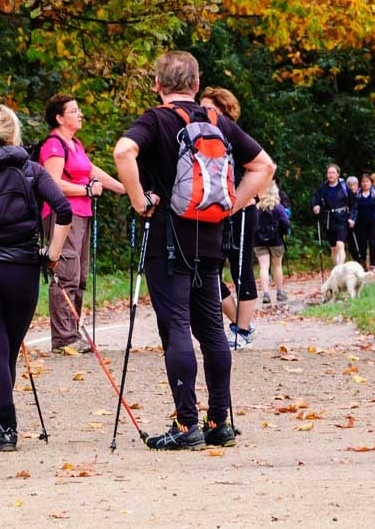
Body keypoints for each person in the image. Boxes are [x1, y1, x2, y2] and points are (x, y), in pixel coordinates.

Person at [114, 50, 275, 450]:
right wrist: (231, 205)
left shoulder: (155, 119)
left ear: (158, 85)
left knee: (176, 327)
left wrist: (138, 199)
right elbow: (264, 167)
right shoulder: (216, 121)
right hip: (211, 238)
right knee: (213, 331)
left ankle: (187, 426)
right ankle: (219, 421)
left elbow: (123, 152)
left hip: (168, 241)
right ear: (196, 85)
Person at [0, 105, 71, 452]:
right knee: (8, 352)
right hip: (25, 268)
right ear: (14, 133)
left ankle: (1, 427)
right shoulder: (34, 170)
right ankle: (1, 426)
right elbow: (64, 209)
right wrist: (53, 254)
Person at [38, 94, 126, 352]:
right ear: (59, 117)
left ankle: (72, 332)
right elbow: (52, 182)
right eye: (74, 110)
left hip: (81, 215)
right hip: (62, 215)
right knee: (65, 273)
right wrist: (86, 190)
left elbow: (90, 170)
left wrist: (125, 188)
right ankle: (63, 338)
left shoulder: (74, 144)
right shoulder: (53, 145)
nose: (80, 114)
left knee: (80, 275)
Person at [201, 87, 258, 349]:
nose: (202, 113)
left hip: (241, 210)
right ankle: (239, 321)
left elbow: (261, 168)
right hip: (213, 211)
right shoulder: (200, 137)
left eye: (208, 108)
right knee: (207, 268)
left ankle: (243, 330)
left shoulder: (235, 136)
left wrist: (243, 198)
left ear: (223, 111)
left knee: (240, 268)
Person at [253, 182, 290, 305]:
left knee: (263, 267)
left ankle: (266, 294)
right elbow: (285, 223)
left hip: (258, 240)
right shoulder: (277, 207)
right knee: (277, 266)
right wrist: (283, 232)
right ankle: (280, 292)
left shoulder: (256, 208)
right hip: (276, 240)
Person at [311, 164, 354, 266]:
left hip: (342, 218)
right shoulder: (323, 188)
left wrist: (352, 218)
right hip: (329, 220)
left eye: (333, 173)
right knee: (333, 248)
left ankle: (340, 268)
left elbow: (354, 203)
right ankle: (336, 269)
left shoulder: (344, 187)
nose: (330, 175)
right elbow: (315, 200)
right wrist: (315, 207)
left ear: (338, 174)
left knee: (340, 244)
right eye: (329, 173)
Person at [353, 175, 375, 269]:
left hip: (373, 221)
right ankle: (363, 262)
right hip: (360, 222)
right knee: (362, 243)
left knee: (373, 242)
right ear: (361, 183)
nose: (365, 184)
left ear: (370, 183)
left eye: (367, 182)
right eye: (363, 182)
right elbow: (353, 207)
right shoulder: (357, 195)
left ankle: (373, 263)